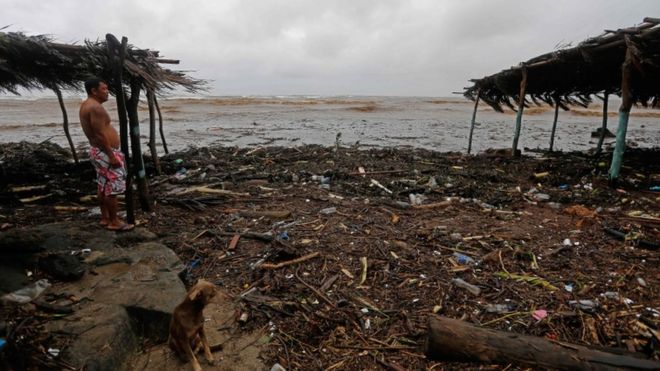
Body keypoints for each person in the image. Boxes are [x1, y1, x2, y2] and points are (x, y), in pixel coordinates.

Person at [79, 77, 134, 231]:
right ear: (94, 91)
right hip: (105, 152)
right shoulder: (96, 108)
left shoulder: (86, 105)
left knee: (102, 185)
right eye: (104, 89)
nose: (107, 91)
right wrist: (111, 155)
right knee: (113, 188)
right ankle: (114, 221)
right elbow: (99, 134)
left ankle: (105, 218)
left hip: (98, 152)